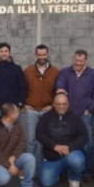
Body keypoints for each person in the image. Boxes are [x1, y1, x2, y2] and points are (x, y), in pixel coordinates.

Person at [55, 49, 94, 181]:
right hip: (68, 114)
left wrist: (90, 109)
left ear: (86, 60)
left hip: (84, 114)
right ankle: (66, 170)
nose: (78, 63)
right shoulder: (65, 72)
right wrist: (60, 89)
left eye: (81, 61)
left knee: (88, 142)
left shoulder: (93, 74)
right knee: (65, 140)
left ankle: (89, 171)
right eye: (76, 60)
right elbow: (60, 83)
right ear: (73, 59)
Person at [35, 93, 87, 187]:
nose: (61, 106)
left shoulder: (75, 118)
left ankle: (74, 178)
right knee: (46, 183)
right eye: (58, 104)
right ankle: (58, 173)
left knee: (78, 161)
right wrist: (54, 146)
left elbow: (83, 136)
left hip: (71, 153)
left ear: (68, 105)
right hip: (52, 157)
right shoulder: (45, 117)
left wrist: (70, 148)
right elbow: (39, 134)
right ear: (54, 104)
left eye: (64, 104)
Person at [0, 103, 36, 187]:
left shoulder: (18, 125)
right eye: (17, 112)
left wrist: (14, 157)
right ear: (11, 114)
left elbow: (22, 142)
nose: (19, 114)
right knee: (4, 178)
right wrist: (9, 165)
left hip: (12, 158)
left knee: (30, 158)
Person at [23, 44, 59, 172]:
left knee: (43, 140)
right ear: (36, 55)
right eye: (39, 55)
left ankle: (40, 169)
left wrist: (52, 106)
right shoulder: (28, 71)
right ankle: (29, 169)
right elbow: (22, 89)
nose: (42, 57)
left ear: (48, 54)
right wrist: (24, 104)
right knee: (31, 140)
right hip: (31, 110)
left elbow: (57, 91)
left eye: (44, 54)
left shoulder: (55, 71)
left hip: (47, 111)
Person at [0, 43, 27, 123]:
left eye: (6, 51)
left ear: (9, 52)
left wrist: (20, 105)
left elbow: (22, 87)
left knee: (14, 134)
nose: (4, 53)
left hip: (13, 109)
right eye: (1, 51)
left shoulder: (17, 69)